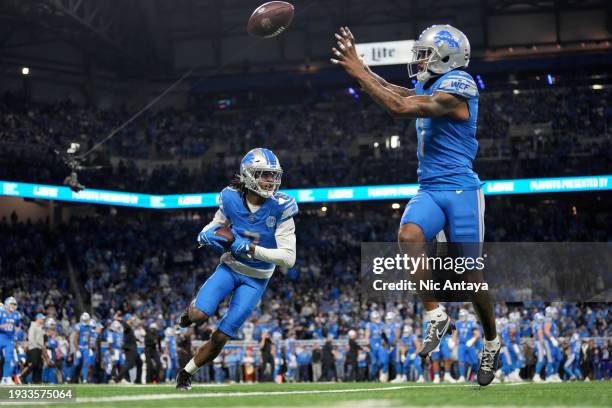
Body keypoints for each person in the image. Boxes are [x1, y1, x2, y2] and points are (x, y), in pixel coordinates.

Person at [331, 24, 499, 386]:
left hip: (460, 189)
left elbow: (398, 106)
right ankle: (435, 314)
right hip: (429, 187)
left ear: (449, 57)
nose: (420, 59)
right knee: (408, 235)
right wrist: (361, 68)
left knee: (471, 279)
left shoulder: (461, 84)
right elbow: (398, 90)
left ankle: (492, 341)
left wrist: (360, 71)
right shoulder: (430, 83)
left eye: (426, 53)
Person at [176, 148, 298, 390]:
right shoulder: (230, 197)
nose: (271, 181)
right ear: (248, 175)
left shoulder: (282, 207)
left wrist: (250, 249)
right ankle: (188, 314)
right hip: (230, 267)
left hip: (256, 279)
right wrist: (205, 234)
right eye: (264, 175)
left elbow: (288, 258)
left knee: (221, 336)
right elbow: (217, 223)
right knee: (199, 316)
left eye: (273, 175)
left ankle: (186, 373)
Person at [0, 297, 20, 385]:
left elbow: (18, 325)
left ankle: (5, 378)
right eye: (11, 304)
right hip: (1, 336)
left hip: (9, 339)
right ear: (7, 304)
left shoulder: (16, 315)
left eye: (14, 304)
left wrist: (15, 333)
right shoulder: (1, 312)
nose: (13, 306)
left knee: (8, 358)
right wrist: (2, 326)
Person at [22, 313, 46, 384]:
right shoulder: (33, 326)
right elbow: (31, 338)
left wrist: (41, 348)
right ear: (38, 319)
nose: (43, 320)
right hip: (33, 348)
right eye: (42, 319)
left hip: (39, 348)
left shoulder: (40, 327)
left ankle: (36, 380)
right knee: (34, 364)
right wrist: (36, 346)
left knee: (39, 365)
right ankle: (22, 376)